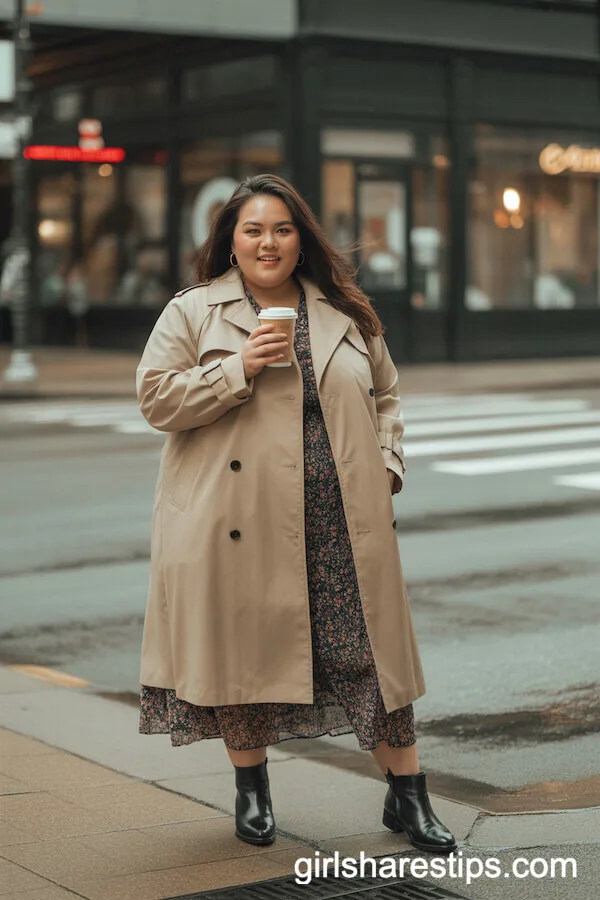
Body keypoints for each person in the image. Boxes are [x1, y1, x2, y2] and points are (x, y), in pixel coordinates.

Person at [136, 174, 456, 854]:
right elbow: (156, 399)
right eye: (253, 230)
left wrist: (388, 463)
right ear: (231, 243)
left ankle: (408, 792)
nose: (268, 242)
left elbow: (387, 396)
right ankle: (252, 788)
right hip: (236, 521)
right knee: (243, 659)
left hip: (341, 521)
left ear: (300, 240)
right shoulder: (194, 311)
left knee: (368, 658)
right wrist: (237, 368)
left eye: (281, 229)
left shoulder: (344, 311)